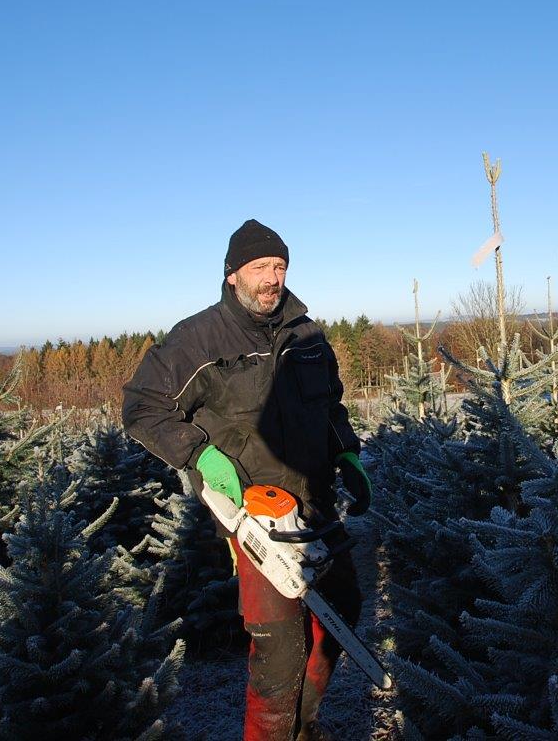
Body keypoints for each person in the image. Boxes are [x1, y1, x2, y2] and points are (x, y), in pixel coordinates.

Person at [122, 218, 372, 741]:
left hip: (317, 503)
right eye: (260, 267)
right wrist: (199, 456)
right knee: (280, 649)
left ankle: (303, 727)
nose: (272, 277)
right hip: (255, 513)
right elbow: (143, 408)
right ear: (233, 274)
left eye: (279, 266)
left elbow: (330, 405)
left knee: (342, 611)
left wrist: (347, 452)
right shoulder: (198, 338)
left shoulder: (307, 334)